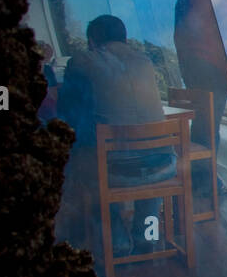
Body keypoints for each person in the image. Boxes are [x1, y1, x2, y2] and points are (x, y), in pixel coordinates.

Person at [57, 15, 177, 261]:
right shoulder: (145, 62)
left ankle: (118, 241)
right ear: (124, 37)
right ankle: (147, 235)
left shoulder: (81, 61)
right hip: (166, 165)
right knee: (148, 156)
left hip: (118, 171)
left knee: (89, 165)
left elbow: (67, 110)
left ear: (92, 40)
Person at [174, 0, 227, 199]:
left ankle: (201, 178)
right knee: (209, 130)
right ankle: (207, 182)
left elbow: (180, 38)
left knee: (202, 127)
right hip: (214, 75)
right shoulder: (223, 0)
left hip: (194, 72)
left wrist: (186, 71)